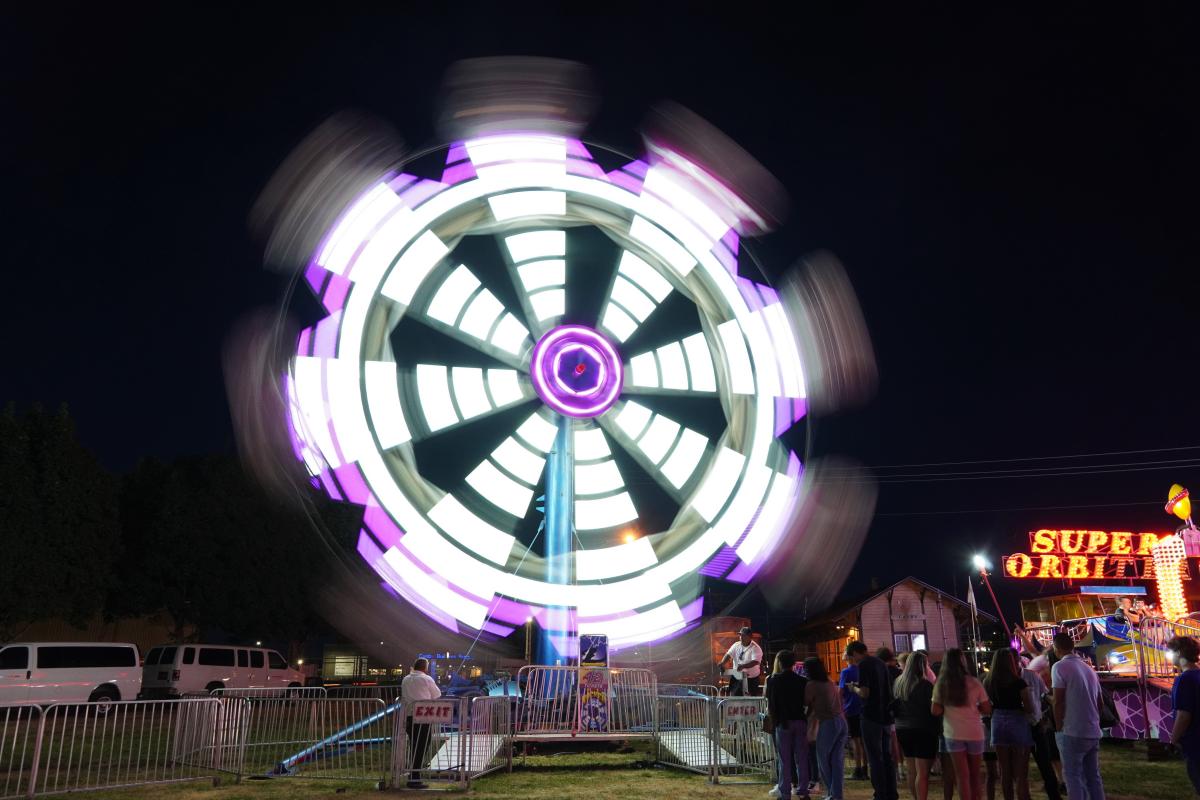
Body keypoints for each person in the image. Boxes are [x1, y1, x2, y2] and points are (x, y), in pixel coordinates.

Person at [1050, 632, 1105, 800]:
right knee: (1093, 777)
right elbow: (1100, 702)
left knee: (1072, 776)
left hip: (1072, 730)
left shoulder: (1059, 667)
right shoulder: (1089, 669)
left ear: (1056, 649)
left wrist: (1058, 727)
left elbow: (1058, 701)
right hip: (1092, 729)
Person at [932, 647, 992, 800]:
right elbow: (986, 708)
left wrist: (948, 707)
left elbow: (935, 710)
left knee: (962, 776)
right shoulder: (974, 682)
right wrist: (974, 708)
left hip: (953, 733)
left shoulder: (941, 683)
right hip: (974, 732)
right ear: (962, 662)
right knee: (975, 775)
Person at [848, 641, 899, 800]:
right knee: (887, 756)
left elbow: (864, 692)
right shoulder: (880, 663)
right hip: (885, 715)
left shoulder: (864, 665)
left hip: (871, 716)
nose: (852, 660)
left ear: (856, 653)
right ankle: (891, 792)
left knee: (874, 758)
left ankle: (880, 794)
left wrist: (853, 688)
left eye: (852, 656)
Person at [984, 648, 1035, 800]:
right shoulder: (1019, 682)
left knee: (1004, 770)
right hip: (1017, 720)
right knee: (1020, 772)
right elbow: (1029, 707)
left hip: (998, 721)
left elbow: (987, 706)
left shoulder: (988, 682)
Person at [893, 651, 939, 800]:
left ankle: (915, 797)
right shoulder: (925, 685)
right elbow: (931, 708)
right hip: (922, 729)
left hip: (902, 729)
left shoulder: (899, 682)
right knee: (923, 772)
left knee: (912, 769)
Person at [768, 650, 810, 799]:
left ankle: (785, 792)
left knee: (785, 760)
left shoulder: (773, 680)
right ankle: (803, 791)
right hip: (800, 720)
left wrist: (773, 721)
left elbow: (772, 704)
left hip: (783, 723)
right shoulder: (802, 681)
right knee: (802, 758)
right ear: (793, 663)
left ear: (779, 663)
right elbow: (807, 702)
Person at [805, 657, 848, 800]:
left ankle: (831, 792)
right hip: (841, 720)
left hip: (828, 723)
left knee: (823, 759)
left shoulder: (812, 685)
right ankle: (837, 794)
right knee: (837, 760)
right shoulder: (829, 681)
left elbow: (806, 703)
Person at [1020, 655, 1062, 800]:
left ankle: (1053, 793)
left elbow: (1043, 695)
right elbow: (1044, 695)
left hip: (1031, 724)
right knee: (1030, 766)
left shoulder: (1031, 675)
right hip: (1024, 726)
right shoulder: (1032, 673)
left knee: (1043, 762)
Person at [400, 657, 442, 789]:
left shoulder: (406, 679)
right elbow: (437, 694)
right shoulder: (426, 679)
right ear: (425, 668)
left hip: (409, 716)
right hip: (423, 716)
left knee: (414, 746)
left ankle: (413, 774)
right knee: (422, 746)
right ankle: (414, 778)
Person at [1168, 635, 1200, 796]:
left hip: (1194, 743)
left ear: (1179, 653)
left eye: (1170, 652)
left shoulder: (1184, 679)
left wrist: (1173, 741)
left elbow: (1183, 715)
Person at [840, 647, 868, 780]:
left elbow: (841, 691)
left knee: (855, 740)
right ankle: (865, 768)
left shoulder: (846, 672)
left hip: (851, 708)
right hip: (863, 707)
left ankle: (858, 769)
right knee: (863, 741)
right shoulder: (862, 670)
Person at [722, 626, 764, 696]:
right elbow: (728, 654)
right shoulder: (736, 645)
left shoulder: (755, 648)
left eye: (743, 635)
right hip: (737, 676)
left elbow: (755, 662)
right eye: (740, 635)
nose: (741, 637)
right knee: (734, 697)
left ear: (750, 637)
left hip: (750, 680)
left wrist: (743, 666)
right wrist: (722, 663)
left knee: (749, 701)